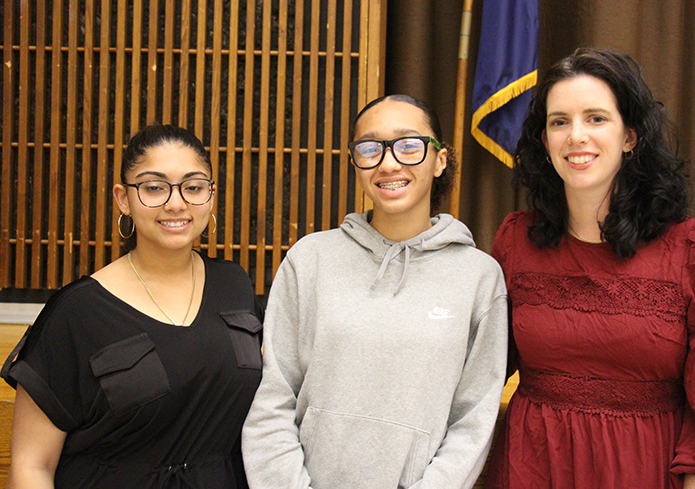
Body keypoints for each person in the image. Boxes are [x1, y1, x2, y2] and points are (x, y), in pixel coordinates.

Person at [485, 48, 695, 488]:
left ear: (630, 136)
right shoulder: (516, 241)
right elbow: (479, 371)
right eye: (559, 122)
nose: (576, 136)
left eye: (595, 118)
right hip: (532, 469)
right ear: (544, 140)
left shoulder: (694, 249)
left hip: (645, 469)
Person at [241, 94, 508, 488]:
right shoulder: (310, 259)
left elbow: (473, 420)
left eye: (408, 145)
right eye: (370, 148)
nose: (388, 162)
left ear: (440, 160)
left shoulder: (479, 277)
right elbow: (273, 398)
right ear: (356, 162)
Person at [2, 125, 263, 488]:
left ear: (211, 195)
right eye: (154, 187)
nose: (176, 203)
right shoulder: (77, 312)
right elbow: (32, 465)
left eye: (193, 186)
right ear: (123, 198)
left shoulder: (234, 285)